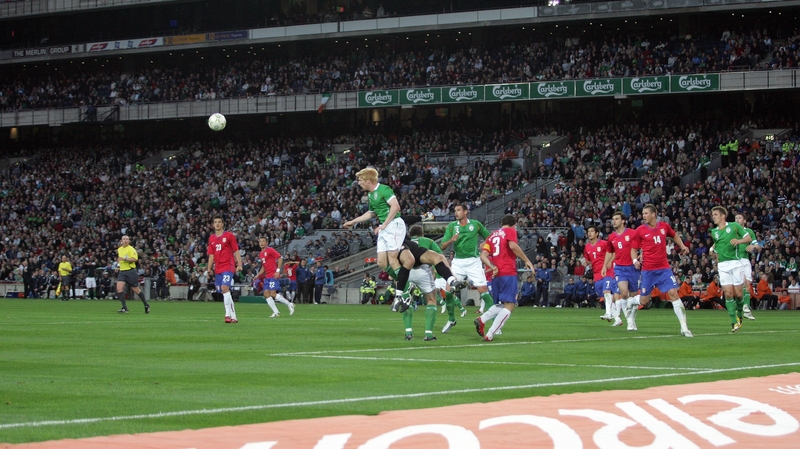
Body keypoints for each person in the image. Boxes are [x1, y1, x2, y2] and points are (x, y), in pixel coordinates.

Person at [343, 167, 411, 310]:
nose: (359, 183)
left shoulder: (384, 189)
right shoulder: (371, 195)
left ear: (368, 180)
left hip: (394, 225)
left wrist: (384, 224)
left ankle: (405, 292)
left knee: (393, 259)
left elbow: (396, 206)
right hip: (384, 227)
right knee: (381, 262)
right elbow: (371, 213)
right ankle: (405, 283)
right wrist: (354, 221)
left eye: (361, 180)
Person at [627, 204, 693, 337]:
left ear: (653, 214)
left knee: (673, 293)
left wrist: (682, 245)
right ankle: (632, 301)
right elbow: (633, 249)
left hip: (663, 268)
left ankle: (684, 327)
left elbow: (674, 236)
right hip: (648, 270)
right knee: (644, 301)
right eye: (643, 213)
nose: (643, 216)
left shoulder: (664, 226)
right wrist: (635, 261)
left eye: (646, 213)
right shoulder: (640, 230)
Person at [474, 214, 535, 341]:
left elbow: (483, 255)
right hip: (508, 271)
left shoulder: (491, 236)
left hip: (496, 275)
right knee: (510, 305)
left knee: (501, 304)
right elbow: (512, 246)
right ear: (514, 224)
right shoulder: (510, 231)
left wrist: (492, 266)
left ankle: (482, 319)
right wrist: (527, 260)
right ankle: (490, 334)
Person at [405, 224, 459, 336]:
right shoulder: (428, 241)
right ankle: (428, 334)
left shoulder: (404, 242)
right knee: (431, 299)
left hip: (407, 271)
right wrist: (451, 275)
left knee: (406, 300)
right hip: (423, 271)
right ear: (422, 234)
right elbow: (440, 257)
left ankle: (408, 332)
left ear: (410, 235)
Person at [441, 204, 493, 314]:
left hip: (473, 262)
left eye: (458, 210)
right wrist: (451, 240)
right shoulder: (452, 226)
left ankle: (496, 324)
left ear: (465, 212)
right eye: (455, 210)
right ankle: (451, 319)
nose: (456, 212)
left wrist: (485, 242)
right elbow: (442, 246)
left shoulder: (475, 224)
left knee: (483, 291)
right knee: (449, 291)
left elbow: (489, 237)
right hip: (458, 262)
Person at [710, 206, 751, 332]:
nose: (713, 217)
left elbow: (748, 238)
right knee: (728, 293)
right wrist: (713, 252)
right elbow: (717, 245)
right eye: (713, 215)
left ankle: (740, 315)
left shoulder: (734, 226)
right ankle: (734, 322)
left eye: (716, 214)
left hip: (736, 263)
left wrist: (739, 241)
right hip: (723, 265)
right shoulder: (714, 232)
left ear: (723, 216)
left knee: (739, 294)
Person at [605, 211, 641, 330]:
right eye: (613, 219)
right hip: (619, 268)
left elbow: (643, 245)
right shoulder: (611, 237)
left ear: (623, 221)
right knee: (624, 293)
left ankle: (632, 320)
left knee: (633, 295)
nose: (613, 221)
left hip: (632, 268)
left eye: (616, 219)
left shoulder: (632, 233)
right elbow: (610, 252)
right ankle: (629, 321)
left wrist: (642, 256)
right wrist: (605, 265)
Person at [207, 216, 243, 323]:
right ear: (213, 225)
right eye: (215, 222)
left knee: (224, 287)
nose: (217, 224)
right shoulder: (212, 238)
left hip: (228, 265)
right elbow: (211, 255)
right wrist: (209, 268)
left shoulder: (229, 236)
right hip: (218, 268)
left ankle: (227, 315)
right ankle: (234, 317)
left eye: (219, 222)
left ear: (223, 224)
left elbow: (236, 250)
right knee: (224, 291)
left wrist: (239, 264)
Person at [583, 226, 620, 326]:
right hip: (596, 274)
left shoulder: (604, 243)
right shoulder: (587, 247)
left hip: (608, 271)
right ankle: (617, 318)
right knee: (604, 295)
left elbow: (614, 253)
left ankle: (608, 313)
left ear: (597, 233)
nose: (589, 233)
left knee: (607, 292)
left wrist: (610, 262)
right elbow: (588, 260)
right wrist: (586, 263)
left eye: (592, 231)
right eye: (588, 231)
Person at [255, 237, 294, 318]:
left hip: (273, 275)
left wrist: (278, 271)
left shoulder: (270, 250)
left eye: (263, 241)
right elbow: (264, 266)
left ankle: (289, 304)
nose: (261, 243)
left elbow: (280, 258)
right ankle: (276, 312)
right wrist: (258, 275)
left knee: (272, 293)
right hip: (267, 276)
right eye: (260, 241)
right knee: (266, 294)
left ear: (266, 243)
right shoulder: (261, 254)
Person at [734, 213, 760, 321]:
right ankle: (741, 308)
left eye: (739, 218)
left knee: (748, 283)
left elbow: (758, 247)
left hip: (744, 260)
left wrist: (753, 246)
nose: (737, 220)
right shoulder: (731, 232)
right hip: (734, 261)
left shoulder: (749, 232)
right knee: (739, 287)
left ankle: (746, 308)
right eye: (735, 218)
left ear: (744, 221)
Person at [116, 235, 150, 314]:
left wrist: (125, 259)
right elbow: (119, 259)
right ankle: (124, 307)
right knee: (119, 288)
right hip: (122, 271)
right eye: (124, 239)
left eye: (127, 239)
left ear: (129, 241)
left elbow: (135, 259)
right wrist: (118, 266)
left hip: (131, 271)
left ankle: (146, 304)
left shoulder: (131, 249)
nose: (125, 241)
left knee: (136, 289)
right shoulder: (120, 249)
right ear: (121, 241)